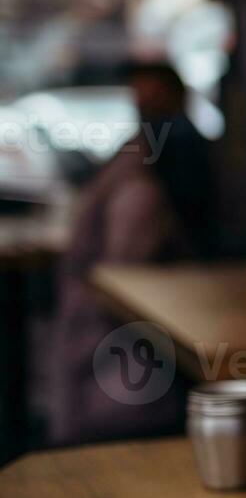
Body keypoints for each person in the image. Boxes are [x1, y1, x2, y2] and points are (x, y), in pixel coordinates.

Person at [47, 61, 213, 445]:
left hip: (115, 333)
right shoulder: (143, 177)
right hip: (115, 345)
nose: (147, 110)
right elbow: (126, 269)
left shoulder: (156, 157)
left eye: (156, 100)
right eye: (141, 101)